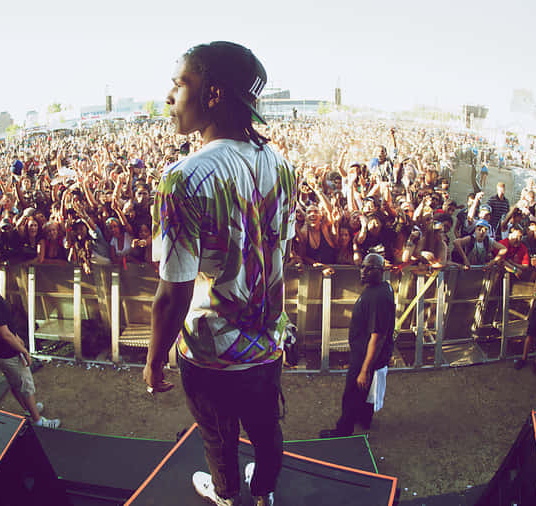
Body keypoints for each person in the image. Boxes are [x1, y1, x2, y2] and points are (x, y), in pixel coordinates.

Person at [143, 41, 295, 506]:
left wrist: (153, 359)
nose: (169, 97)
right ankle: (264, 492)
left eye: (179, 83)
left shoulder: (182, 178)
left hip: (211, 355)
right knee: (268, 432)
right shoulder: (281, 164)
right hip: (266, 344)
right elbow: (279, 259)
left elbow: (173, 295)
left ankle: (230, 496)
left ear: (212, 93)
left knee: (219, 440)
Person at [319, 253, 394, 438]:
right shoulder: (383, 288)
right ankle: (364, 419)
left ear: (381, 271)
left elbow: (377, 337)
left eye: (369, 268)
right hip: (370, 354)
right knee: (366, 391)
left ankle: (343, 429)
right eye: (362, 267)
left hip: (365, 356)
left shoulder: (377, 297)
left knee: (353, 392)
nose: (363, 271)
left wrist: (364, 369)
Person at [0, 260, 59, 428]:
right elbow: (4, 334)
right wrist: (24, 350)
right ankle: (38, 420)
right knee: (25, 383)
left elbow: (4, 327)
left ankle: (28, 409)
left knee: (14, 381)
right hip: (6, 351)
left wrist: (16, 337)